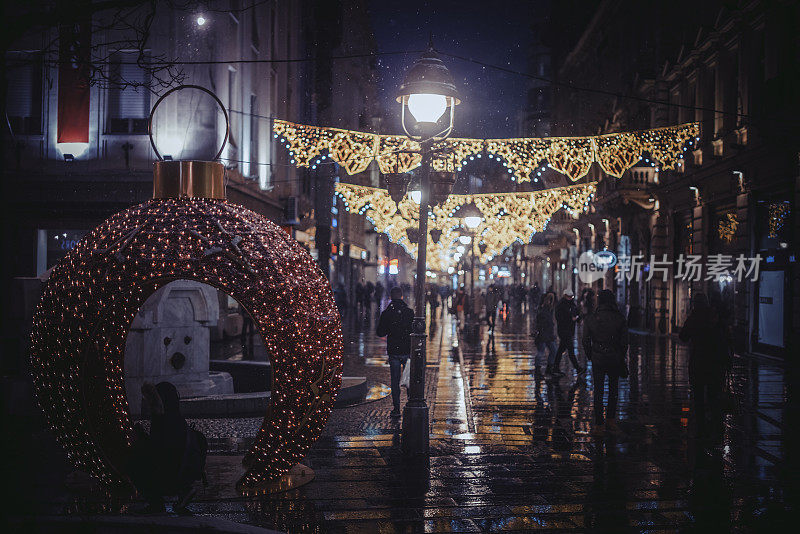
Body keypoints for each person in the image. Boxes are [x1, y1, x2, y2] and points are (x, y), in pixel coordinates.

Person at [128, 382, 207, 513]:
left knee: (133, 461)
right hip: (182, 474)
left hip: (170, 476)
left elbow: (158, 453)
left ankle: (156, 504)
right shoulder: (176, 418)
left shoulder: (162, 421)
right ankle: (183, 490)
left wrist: (141, 437)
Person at [679, 292, 731, 438]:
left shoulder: (694, 318)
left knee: (699, 398)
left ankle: (702, 427)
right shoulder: (715, 317)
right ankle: (716, 425)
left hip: (698, 363)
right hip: (715, 364)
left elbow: (683, 336)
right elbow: (726, 339)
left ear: (695, 304)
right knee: (714, 396)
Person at [582, 289, 628, 435]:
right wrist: (620, 355)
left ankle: (599, 424)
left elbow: (585, 340)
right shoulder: (619, 318)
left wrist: (591, 354)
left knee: (598, 390)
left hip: (598, 358)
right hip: (614, 358)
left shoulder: (592, 318)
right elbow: (625, 342)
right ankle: (611, 420)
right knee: (613, 390)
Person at [376, 286, 414, 417]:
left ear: (391, 297)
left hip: (394, 351)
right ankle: (411, 404)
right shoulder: (409, 312)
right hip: (407, 350)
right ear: (402, 296)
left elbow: (380, 332)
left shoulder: (387, 313)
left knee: (395, 380)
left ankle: (396, 409)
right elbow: (414, 330)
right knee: (409, 379)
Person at [554, 289, 586, 376]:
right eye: (568, 296)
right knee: (570, 351)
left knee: (561, 350)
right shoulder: (561, 305)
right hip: (564, 331)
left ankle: (555, 368)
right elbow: (559, 318)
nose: (570, 298)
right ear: (565, 296)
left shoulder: (572, 304)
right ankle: (578, 368)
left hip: (569, 330)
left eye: (571, 297)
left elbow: (576, 313)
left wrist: (578, 318)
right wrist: (570, 319)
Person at [534, 293, 558, 376]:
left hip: (548, 335)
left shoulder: (548, 310)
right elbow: (540, 323)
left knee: (554, 351)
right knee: (541, 352)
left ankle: (549, 368)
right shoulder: (544, 310)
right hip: (543, 335)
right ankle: (538, 370)